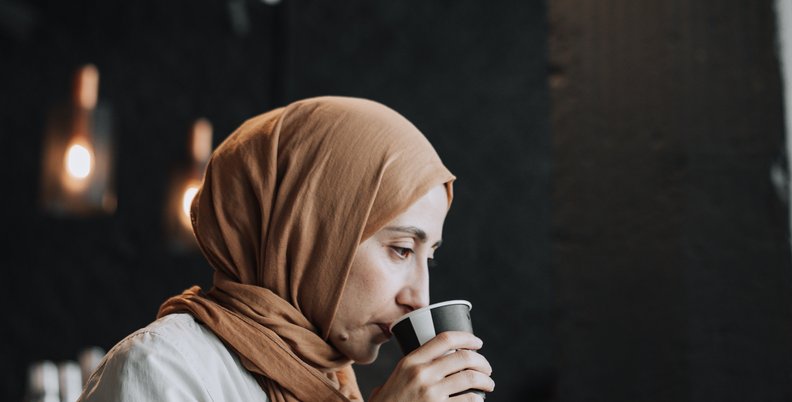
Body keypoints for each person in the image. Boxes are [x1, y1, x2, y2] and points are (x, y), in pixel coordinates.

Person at [79, 96, 495, 401]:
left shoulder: (337, 382)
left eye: (430, 257)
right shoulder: (159, 370)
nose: (419, 297)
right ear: (312, 231)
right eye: (402, 249)